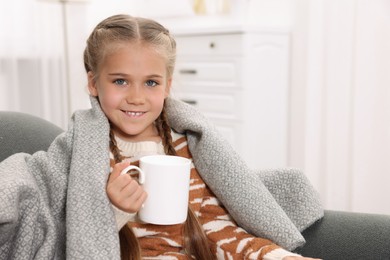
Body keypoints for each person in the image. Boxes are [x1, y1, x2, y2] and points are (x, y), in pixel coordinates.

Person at [83, 14, 320, 260]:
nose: (136, 97)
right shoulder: (88, 155)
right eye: (120, 81)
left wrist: (278, 257)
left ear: (167, 86)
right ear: (93, 83)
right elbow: (75, 241)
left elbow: (212, 227)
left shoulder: (184, 147)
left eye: (151, 83)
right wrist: (114, 210)